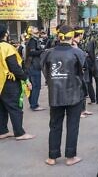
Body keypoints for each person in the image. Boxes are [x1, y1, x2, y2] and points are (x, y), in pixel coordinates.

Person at [40, 25, 86, 166]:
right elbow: (83, 72)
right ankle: (70, 157)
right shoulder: (78, 53)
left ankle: (52, 157)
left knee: (54, 125)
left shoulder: (48, 53)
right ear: (72, 37)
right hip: (74, 94)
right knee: (72, 125)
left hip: (55, 94)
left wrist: (53, 82)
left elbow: (45, 72)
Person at [0, 24, 35, 140]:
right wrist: (26, 79)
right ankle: (19, 133)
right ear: (5, 34)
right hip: (9, 82)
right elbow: (14, 67)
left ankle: (2, 131)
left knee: (2, 107)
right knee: (15, 107)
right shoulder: (7, 47)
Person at [25, 26, 45, 111]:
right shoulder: (32, 41)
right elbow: (32, 52)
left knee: (32, 86)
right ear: (31, 33)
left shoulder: (32, 40)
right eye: (36, 32)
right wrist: (42, 51)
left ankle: (32, 103)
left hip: (31, 66)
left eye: (38, 32)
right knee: (36, 86)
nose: (38, 34)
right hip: (33, 66)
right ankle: (34, 105)